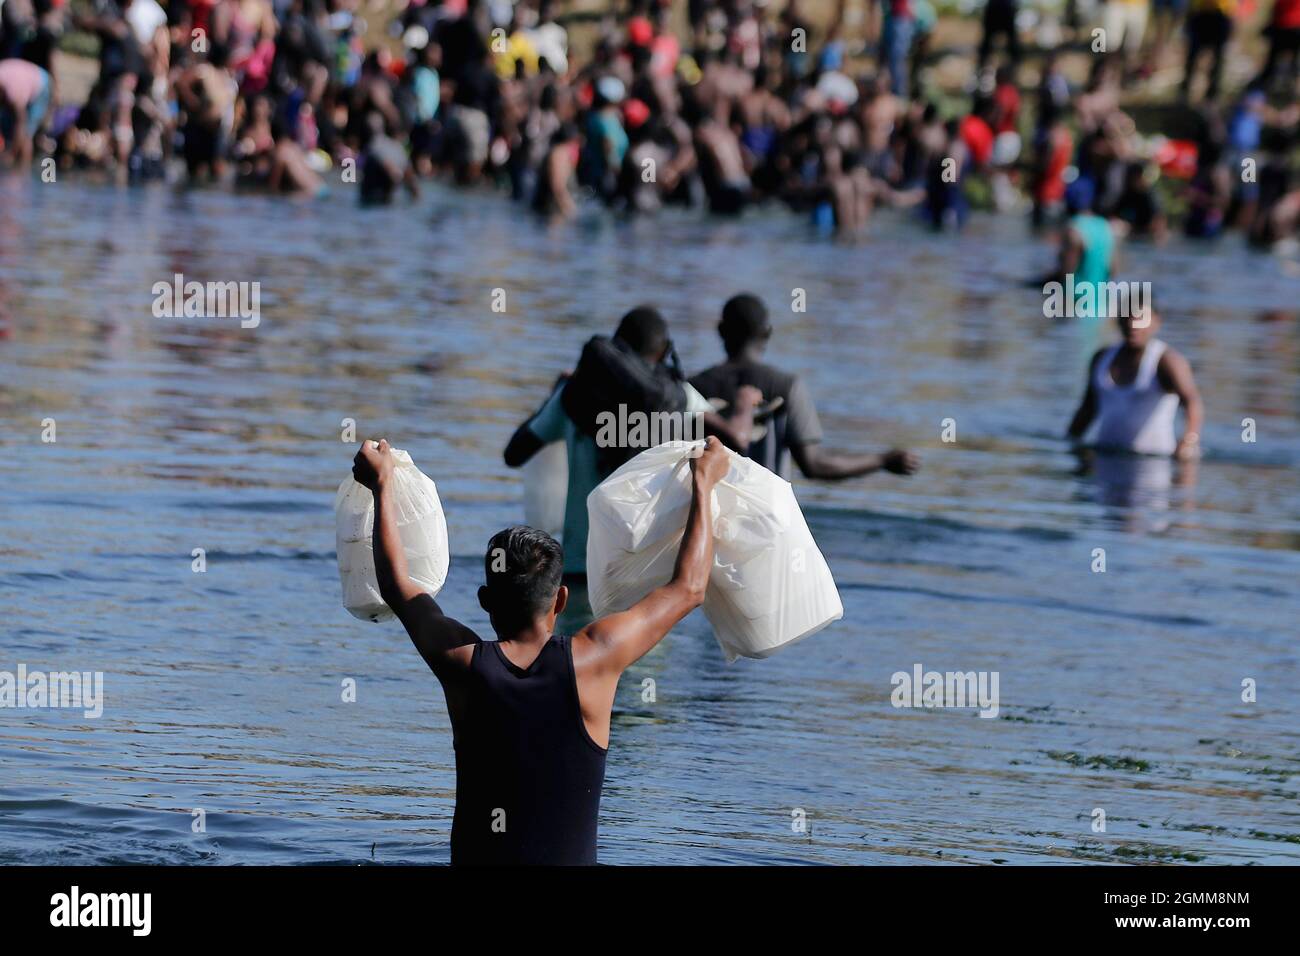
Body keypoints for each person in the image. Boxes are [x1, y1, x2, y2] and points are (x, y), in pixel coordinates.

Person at [351, 435, 731, 865]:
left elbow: (398, 587)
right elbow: (689, 589)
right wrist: (704, 482)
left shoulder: (462, 663)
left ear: (484, 601)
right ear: (561, 600)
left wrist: (382, 487)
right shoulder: (596, 658)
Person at [504, 306, 756, 577]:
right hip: (642, 571)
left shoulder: (573, 393)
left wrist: (551, 397)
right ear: (662, 353)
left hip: (581, 568)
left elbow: (514, 453)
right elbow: (736, 439)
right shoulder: (677, 396)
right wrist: (746, 403)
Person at [690, 294, 920, 481]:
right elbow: (815, 465)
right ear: (767, 333)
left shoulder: (693, 388)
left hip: (709, 516)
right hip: (769, 520)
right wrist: (882, 461)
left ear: (721, 330)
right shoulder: (786, 386)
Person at [1066, 301, 1204, 460]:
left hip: (1154, 466)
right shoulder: (1101, 358)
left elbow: (1192, 402)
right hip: (1104, 460)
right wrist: (1069, 445)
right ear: (1118, 320)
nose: (1133, 324)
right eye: (1127, 318)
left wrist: (1189, 441)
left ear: (1157, 322)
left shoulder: (1167, 361)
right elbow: (1088, 408)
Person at [0, 57, 51, 166]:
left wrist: (12, 154)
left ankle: (23, 171)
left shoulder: (13, 90)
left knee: (27, 134)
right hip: (23, 74)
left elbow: (21, 121)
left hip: (41, 83)